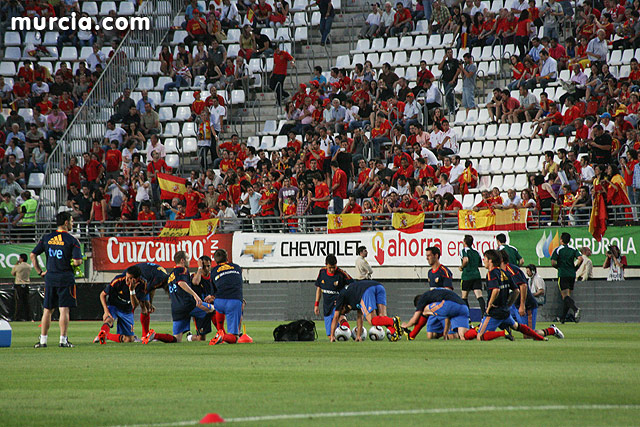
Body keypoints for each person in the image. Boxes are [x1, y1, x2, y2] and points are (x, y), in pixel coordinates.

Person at [464, 250, 557, 341]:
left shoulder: (492, 273)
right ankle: (542, 337)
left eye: (485, 258)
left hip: (497, 311)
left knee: (480, 336)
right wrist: (508, 305)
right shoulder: (505, 273)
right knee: (517, 326)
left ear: (491, 260)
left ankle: (503, 333)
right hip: (506, 310)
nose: (483, 261)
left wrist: (489, 306)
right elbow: (516, 291)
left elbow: (497, 290)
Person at [32, 212, 84, 348]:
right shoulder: (72, 240)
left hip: (50, 278)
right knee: (64, 309)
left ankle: (43, 340)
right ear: (66, 223)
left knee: (47, 310)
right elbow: (77, 261)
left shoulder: (47, 238)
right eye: (71, 221)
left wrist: (39, 271)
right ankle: (63, 340)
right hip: (65, 278)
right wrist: (75, 262)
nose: (72, 224)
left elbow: (33, 254)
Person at [144, 251, 213, 344]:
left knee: (177, 339)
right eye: (187, 258)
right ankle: (220, 334)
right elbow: (181, 283)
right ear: (182, 260)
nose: (189, 261)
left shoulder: (171, 275)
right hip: (188, 305)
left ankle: (155, 335)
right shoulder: (182, 270)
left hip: (177, 308)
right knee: (212, 309)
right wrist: (195, 295)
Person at [330, 279, 402, 342]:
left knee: (372, 320)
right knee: (382, 317)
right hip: (379, 287)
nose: (344, 314)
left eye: (343, 313)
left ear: (342, 307)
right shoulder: (352, 296)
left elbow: (335, 317)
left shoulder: (340, 298)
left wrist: (332, 336)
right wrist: (358, 336)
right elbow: (360, 316)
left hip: (367, 290)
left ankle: (393, 321)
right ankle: (394, 332)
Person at [402, 288, 470, 340]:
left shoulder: (422, 299)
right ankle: (474, 330)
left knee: (425, 311)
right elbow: (447, 317)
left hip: (449, 305)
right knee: (463, 336)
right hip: (463, 307)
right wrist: (445, 333)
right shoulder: (435, 295)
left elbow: (414, 320)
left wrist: (406, 326)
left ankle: (412, 335)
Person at [95, 267, 141, 344]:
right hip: (114, 306)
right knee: (109, 319)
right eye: (126, 277)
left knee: (129, 340)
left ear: (136, 279)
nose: (126, 280)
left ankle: (106, 336)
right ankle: (103, 332)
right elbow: (102, 294)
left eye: (130, 278)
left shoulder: (141, 285)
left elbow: (134, 305)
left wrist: (132, 290)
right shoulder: (118, 280)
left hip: (127, 310)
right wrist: (106, 311)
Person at [209, 249, 245, 345]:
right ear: (227, 257)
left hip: (219, 302)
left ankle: (220, 331)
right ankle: (222, 336)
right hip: (234, 301)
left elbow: (213, 293)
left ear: (215, 260)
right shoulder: (237, 267)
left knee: (218, 307)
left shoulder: (213, 271)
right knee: (234, 338)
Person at [314, 254, 353, 337]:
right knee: (329, 334)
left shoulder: (341, 274)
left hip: (338, 302)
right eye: (330, 268)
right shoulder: (322, 272)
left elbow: (353, 286)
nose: (332, 270)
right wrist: (316, 304)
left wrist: (346, 301)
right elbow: (319, 289)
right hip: (327, 305)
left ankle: (347, 333)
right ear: (326, 265)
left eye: (334, 267)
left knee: (340, 318)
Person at [500, 250, 539, 330]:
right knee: (500, 319)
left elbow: (523, 286)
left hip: (527, 306)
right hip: (514, 305)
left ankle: (551, 330)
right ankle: (506, 332)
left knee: (528, 333)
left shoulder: (511, 270)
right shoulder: (500, 271)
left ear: (501, 259)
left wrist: (522, 305)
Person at [550, 232, 583, 323]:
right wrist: (575, 268)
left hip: (563, 274)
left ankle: (575, 309)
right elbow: (580, 258)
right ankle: (563, 318)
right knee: (567, 296)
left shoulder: (558, 249)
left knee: (565, 296)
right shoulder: (573, 249)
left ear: (561, 240)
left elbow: (553, 262)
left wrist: (559, 267)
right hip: (572, 275)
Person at [189, 255, 216, 341]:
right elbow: (196, 282)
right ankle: (190, 337)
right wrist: (200, 268)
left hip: (213, 307)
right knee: (201, 338)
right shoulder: (195, 276)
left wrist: (213, 297)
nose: (207, 269)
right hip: (201, 308)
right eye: (204, 266)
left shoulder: (213, 277)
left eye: (208, 266)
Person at [459, 235, 486, 315]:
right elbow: (480, 264)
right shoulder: (476, 252)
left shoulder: (464, 251)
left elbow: (465, 260)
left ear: (464, 242)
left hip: (467, 276)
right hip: (476, 276)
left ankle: (468, 317)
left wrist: (462, 267)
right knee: (479, 296)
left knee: (464, 297)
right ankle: (483, 315)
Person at [11, 254, 32, 321]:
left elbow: (13, 273)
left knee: (19, 301)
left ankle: (18, 317)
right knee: (26, 301)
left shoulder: (18, 266)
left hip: (19, 285)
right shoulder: (29, 266)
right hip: (26, 285)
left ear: (21, 259)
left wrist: (15, 265)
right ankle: (28, 317)